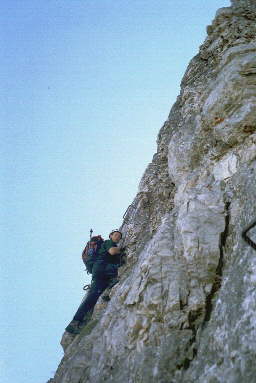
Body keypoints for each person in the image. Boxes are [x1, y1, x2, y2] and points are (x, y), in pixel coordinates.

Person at [65, 230, 123, 334]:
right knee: (117, 268)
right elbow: (112, 252)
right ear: (110, 236)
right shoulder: (108, 243)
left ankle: (74, 322)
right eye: (116, 235)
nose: (117, 237)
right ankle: (111, 283)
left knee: (92, 296)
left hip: (99, 271)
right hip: (102, 267)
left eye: (119, 236)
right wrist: (120, 249)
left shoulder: (108, 244)